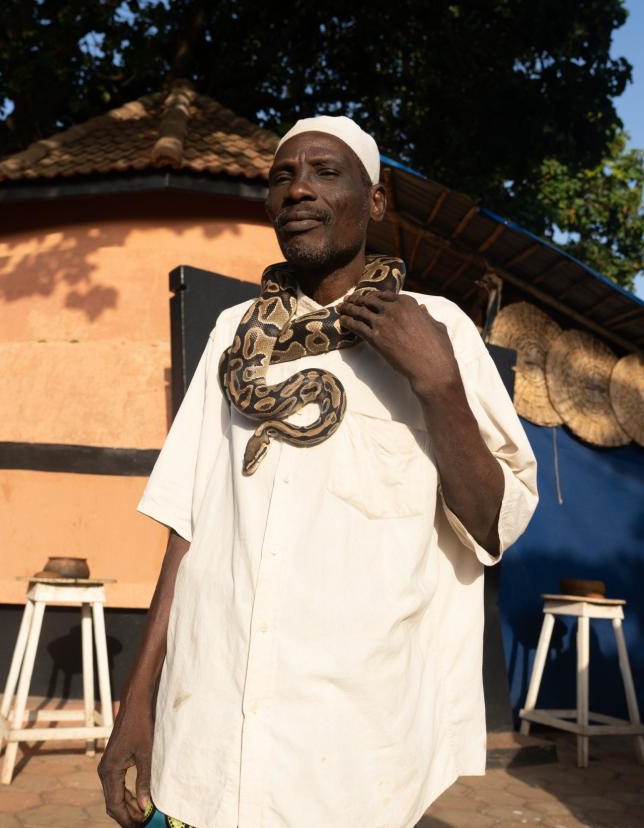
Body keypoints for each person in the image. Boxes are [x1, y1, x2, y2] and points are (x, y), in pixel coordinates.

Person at [98, 115, 539, 828]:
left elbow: (496, 524)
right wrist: (136, 702)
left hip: (353, 753)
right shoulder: (234, 334)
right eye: (282, 176)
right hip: (207, 733)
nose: (299, 187)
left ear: (375, 202)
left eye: (325, 172)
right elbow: (187, 523)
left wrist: (438, 387)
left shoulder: (441, 329)